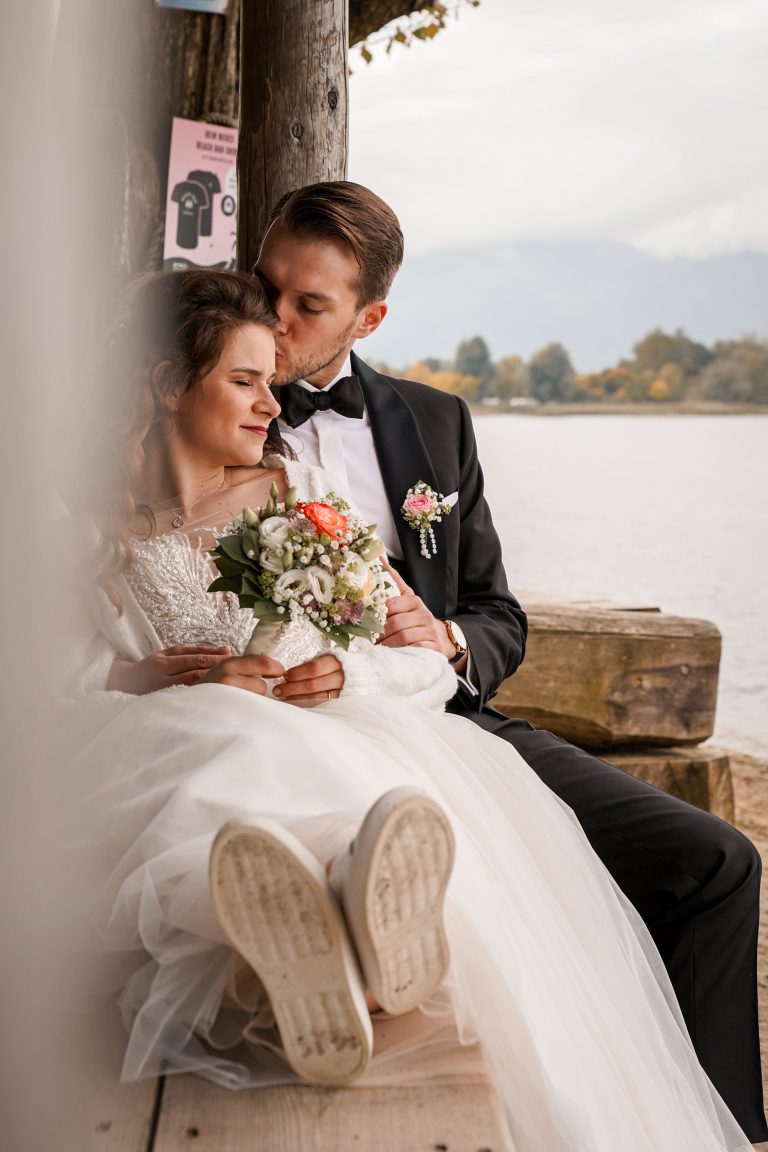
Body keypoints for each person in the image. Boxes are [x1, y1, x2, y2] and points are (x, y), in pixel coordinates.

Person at [70, 268, 752, 1151]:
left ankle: (344, 919)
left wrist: (343, 680)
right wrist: (144, 680)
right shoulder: (77, 521)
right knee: (220, 733)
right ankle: (335, 936)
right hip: (175, 736)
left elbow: (422, 659)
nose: (270, 406)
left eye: (270, 384)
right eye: (246, 382)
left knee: (285, 754)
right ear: (167, 384)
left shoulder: (300, 497)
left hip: (341, 729)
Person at [248, 180, 767, 1143]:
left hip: (447, 720)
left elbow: (496, 615)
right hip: (296, 733)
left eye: (307, 305)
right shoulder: (206, 407)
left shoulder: (434, 423)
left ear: (371, 317)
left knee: (718, 863)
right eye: (265, 286)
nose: (274, 321)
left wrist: (442, 639)